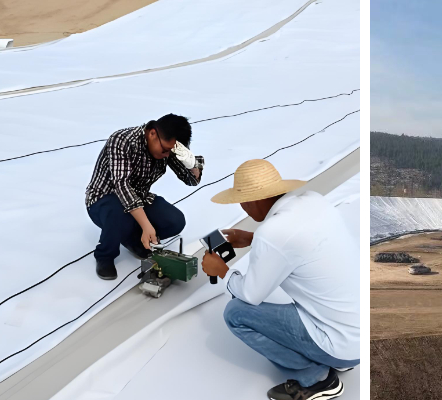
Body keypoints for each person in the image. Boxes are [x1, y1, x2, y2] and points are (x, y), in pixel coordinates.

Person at [200, 159, 358, 400]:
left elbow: (251, 294)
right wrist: (252, 238)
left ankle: (316, 379)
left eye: (242, 203)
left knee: (236, 314)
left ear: (253, 200)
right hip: (360, 332)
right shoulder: (313, 200)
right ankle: (338, 357)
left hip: (340, 345)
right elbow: (299, 241)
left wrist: (221, 270)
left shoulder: (273, 232)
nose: (243, 209)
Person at [85, 114, 203, 279]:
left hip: (139, 198)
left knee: (175, 221)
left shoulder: (167, 147)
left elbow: (190, 180)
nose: (167, 155)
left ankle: (133, 240)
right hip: (104, 199)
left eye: (172, 151)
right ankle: (105, 255)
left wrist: (192, 164)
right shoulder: (122, 140)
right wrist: (146, 226)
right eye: (165, 150)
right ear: (152, 133)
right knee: (121, 216)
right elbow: (122, 185)